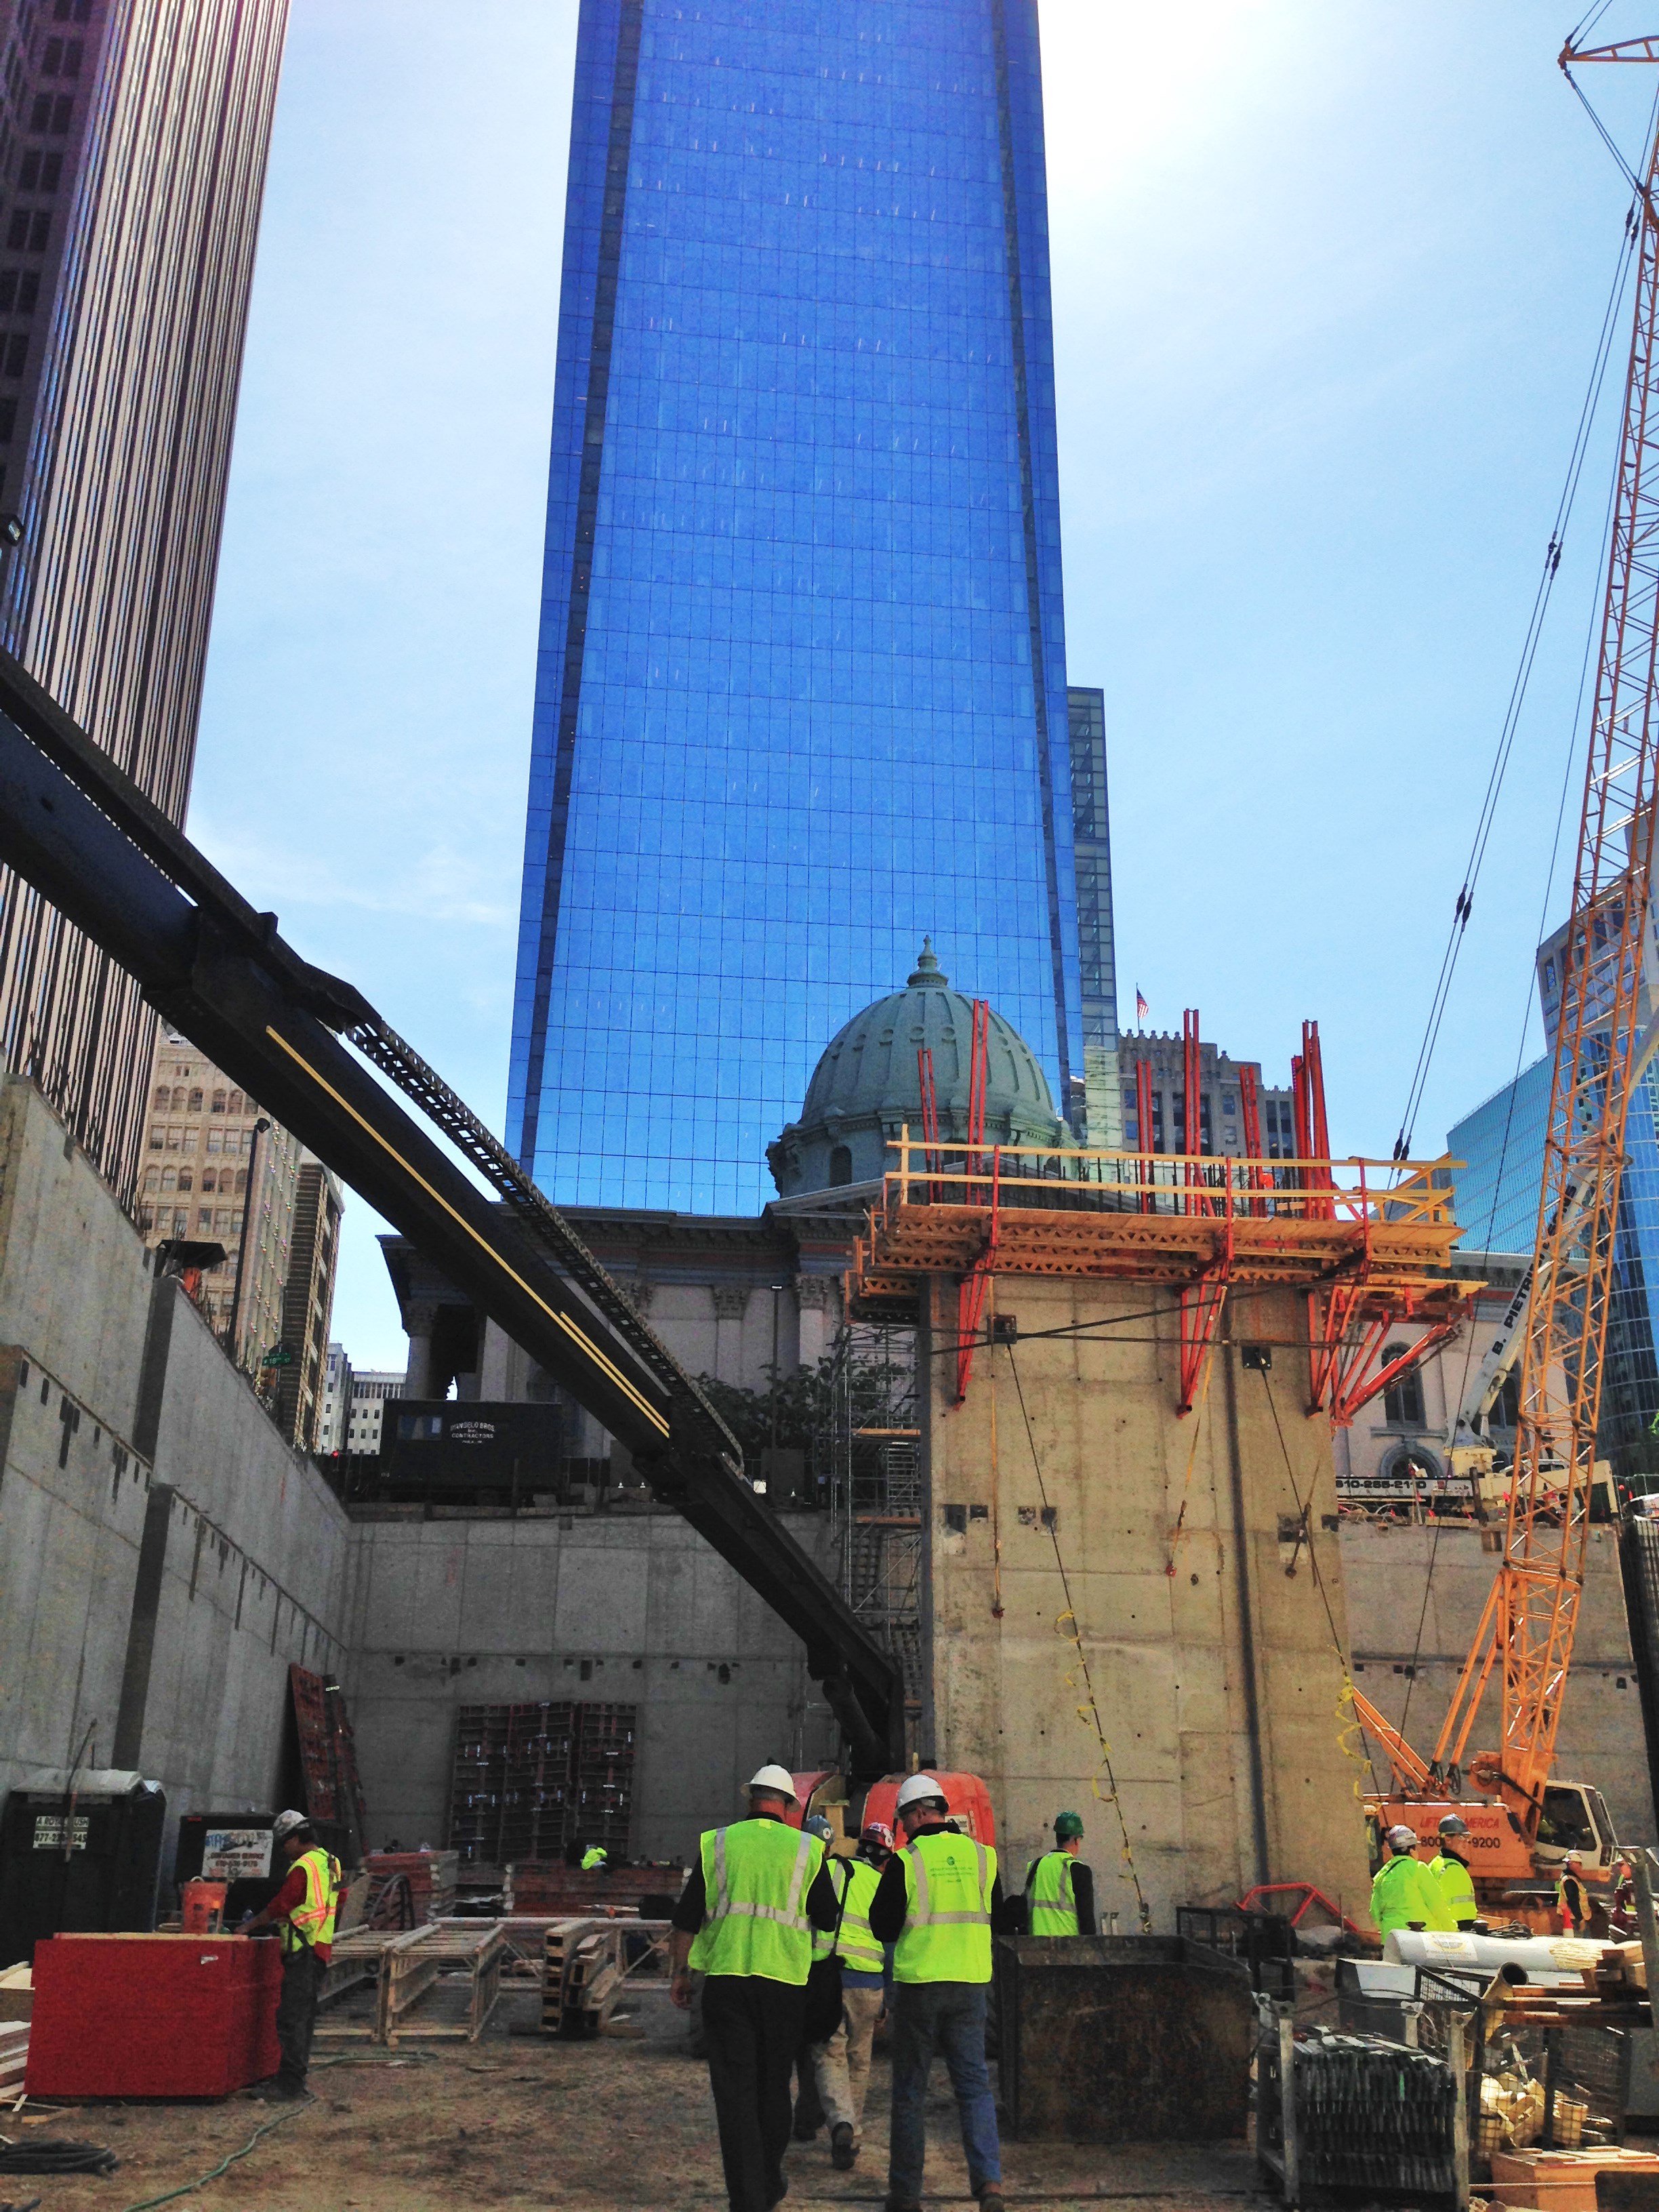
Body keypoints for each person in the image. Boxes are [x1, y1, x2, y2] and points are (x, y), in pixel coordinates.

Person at [670, 1764, 843, 2212]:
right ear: (788, 1806)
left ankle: (748, 2198)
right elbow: (827, 1917)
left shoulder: (718, 1844)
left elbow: (686, 1921)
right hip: (784, 1988)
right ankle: (766, 2181)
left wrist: (681, 1974)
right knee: (772, 2089)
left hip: (727, 1986)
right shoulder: (807, 1849)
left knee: (735, 2095)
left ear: (751, 1801)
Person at [868, 1774, 1005, 2212]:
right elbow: (996, 1917)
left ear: (918, 1813)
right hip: (970, 1986)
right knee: (975, 2088)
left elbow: (883, 1926)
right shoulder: (985, 1858)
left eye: (905, 1818)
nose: (904, 1827)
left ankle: (906, 2195)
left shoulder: (906, 1862)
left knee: (910, 2092)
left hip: (921, 1989)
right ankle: (989, 2187)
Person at [808, 1820, 892, 2172]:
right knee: (859, 2061)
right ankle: (851, 2135)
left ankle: (841, 2123)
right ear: (885, 1858)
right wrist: (887, 1994)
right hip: (869, 1984)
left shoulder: (826, 1870)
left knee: (830, 2056)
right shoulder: (886, 1884)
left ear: (858, 1847)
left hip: (826, 1979)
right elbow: (890, 1941)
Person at [241, 1808, 342, 2100]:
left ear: (297, 1838)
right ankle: (292, 2079)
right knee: (303, 2018)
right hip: (319, 1948)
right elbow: (334, 1901)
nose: (284, 1849)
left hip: (302, 1951)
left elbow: (281, 1906)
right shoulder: (331, 1863)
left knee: (292, 2018)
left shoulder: (303, 1867)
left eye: (285, 1842)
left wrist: (249, 1926)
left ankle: (289, 2085)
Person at [791, 1816, 839, 2145]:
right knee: (814, 2053)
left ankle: (802, 2118)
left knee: (797, 2050)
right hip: (815, 1973)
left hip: (795, 1970)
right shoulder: (839, 1872)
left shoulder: (792, 1869)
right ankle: (807, 2117)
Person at [1024, 1811, 1097, 1936]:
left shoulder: (1035, 1866)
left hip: (1035, 1947)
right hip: (1068, 1948)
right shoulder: (1078, 1870)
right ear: (1076, 1840)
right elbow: (1087, 1920)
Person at [1370, 1826, 1448, 1939]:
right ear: (1411, 1851)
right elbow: (1437, 1904)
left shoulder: (1382, 1875)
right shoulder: (1418, 1869)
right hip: (1422, 1939)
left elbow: (1374, 1912)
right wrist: (1451, 1929)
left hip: (1391, 1939)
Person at [1426, 1815, 1479, 1931]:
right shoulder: (1454, 1869)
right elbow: (1463, 1912)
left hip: (1439, 1933)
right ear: (1448, 1839)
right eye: (1461, 1837)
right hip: (1457, 1936)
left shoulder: (1435, 1864)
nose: (1466, 1843)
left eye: (1467, 1838)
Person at [1557, 1851, 1592, 1933]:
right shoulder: (1570, 1881)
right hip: (1574, 1920)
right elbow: (1573, 1902)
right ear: (1572, 1864)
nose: (1581, 1866)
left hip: (1573, 1919)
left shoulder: (1572, 1879)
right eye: (1579, 1863)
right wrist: (1581, 1920)